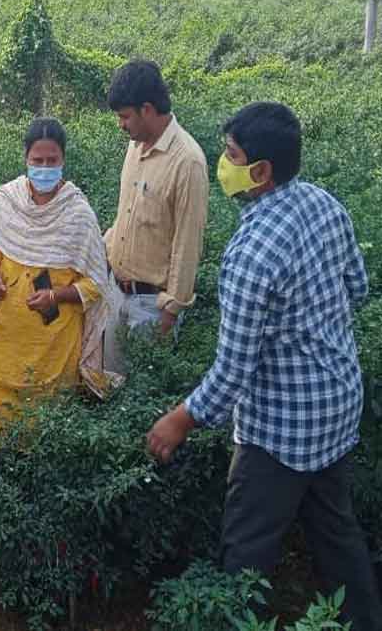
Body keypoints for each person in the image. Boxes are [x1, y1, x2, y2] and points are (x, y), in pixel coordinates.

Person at [146, 102, 382, 630]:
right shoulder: (325, 204)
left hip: (280, 433)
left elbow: (232, 372)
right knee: (337, 535)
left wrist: (179, 419)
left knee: (246, 555)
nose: (221, 163)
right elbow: (358, 288)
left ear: (261, 172)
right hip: (339, 406)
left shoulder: (250, 252)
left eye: (230, 156)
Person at [0, 118, 121, 545]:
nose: (45, 167)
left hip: (53, 348)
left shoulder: (78, 213)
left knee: (42, 431)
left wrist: (59, 296)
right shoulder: (6, 200)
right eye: (38, 160)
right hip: (5, 339)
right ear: (26, 160)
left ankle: (29, 527)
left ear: (64, 162)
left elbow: (95, 282)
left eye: (53, 160)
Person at [102, 59, 207, 340]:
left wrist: (170, 313)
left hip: (150, 307)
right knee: (106, 380)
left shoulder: (187, 161)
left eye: (125, 117)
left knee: (141, 382)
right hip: (115, 292)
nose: (120, 125)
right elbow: (126, 215)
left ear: (146, 110)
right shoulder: (134, 147)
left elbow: (188, 242)